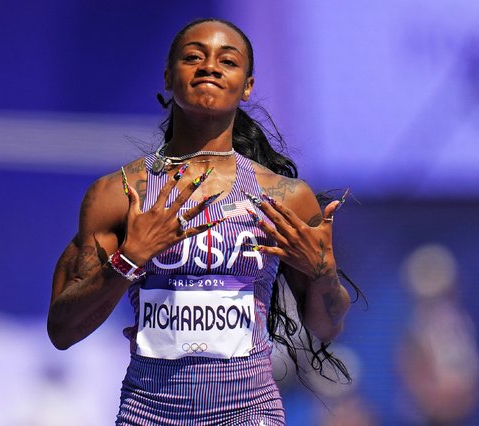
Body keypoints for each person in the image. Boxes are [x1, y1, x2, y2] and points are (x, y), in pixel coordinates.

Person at [47, 17, 352, 425]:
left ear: (247, 86)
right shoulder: (119, 194)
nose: (209, 66)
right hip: (149, 414)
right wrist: (129, 259)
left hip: (249, 412)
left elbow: (325, 327)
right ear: (169, 76)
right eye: (193, 57)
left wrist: (324, 274)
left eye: (227, 61)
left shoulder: (285, 197)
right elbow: (62, 331)